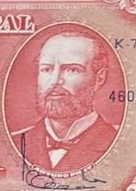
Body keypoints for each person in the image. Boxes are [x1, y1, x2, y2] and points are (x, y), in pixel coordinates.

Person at [9, 28, 119, 174]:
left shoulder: (118, 145)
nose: (55, 81)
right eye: (46, 69)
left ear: (99, 78)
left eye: (72, 70)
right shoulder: (14, 143)